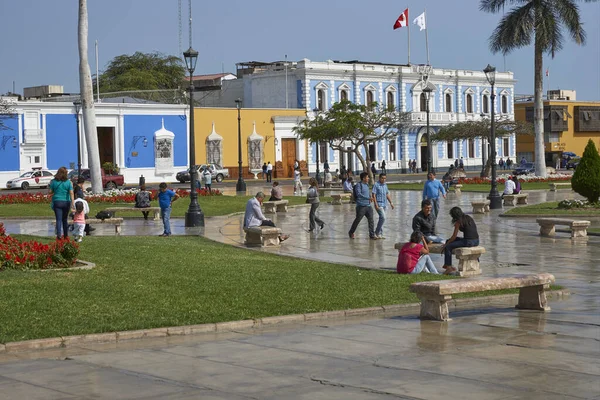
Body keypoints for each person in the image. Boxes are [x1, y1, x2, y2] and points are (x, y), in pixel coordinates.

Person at [441, 207, 479, 274]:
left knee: (448, 247)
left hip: (468, 242)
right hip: (476, 241)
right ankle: (447, 264)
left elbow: (453, 236)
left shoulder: (458, 222)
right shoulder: (468, 217)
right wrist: (448, 241)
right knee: (448, 241)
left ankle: (449, 267)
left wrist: (446, 244)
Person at [49, 166, 74, 240]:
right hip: (66, 202)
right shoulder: (69, 182)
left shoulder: (53, 182)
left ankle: (59, 235)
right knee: (65, 219)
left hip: (57, 201)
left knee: (58, 219)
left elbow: (50, 192)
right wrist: (73, 203)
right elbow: (71, 193)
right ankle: (66, 235)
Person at [348, 172, 376, 240]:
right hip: (361, 206)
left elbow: (368, 193)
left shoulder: (366, 185)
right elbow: (359, 194)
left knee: (371, 220)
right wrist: (368, 198)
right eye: (367, 177)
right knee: (358, 220)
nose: (368, 178)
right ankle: (351, 232)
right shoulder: (358, 185)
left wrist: (370, 198)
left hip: (368, 206)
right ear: (363, 178)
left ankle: (372, 235)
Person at [371, 173, 394, 239]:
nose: (383, 179)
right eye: (382, 178)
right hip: (379, 204)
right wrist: (376, 204)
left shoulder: (385, 185)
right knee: (383, 217)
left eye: (385, 178)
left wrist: (391, 203)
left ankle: (380, 233)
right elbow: (373, 195)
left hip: (384, 204)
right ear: (379, 178)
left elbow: (387, 194)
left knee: (382, 219)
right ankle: (376, 232)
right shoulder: (376, 185)